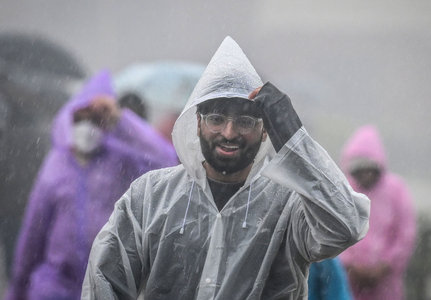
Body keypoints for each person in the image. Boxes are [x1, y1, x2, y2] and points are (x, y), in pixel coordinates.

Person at [81, 36, 370, 300]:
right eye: (217, 118)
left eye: (245, 121)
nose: (229, 133)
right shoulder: (151, 197)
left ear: (266, 130)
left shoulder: (290, 206)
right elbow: (104, 281)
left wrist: (295, 139)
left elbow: (346, 225)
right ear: (197, 123)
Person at [5, 71, 178, 300]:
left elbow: (166, 160)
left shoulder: (121, 161)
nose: (87, 126)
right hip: (55, 287)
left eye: (96, 119)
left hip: (106, 285)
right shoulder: (57, 164)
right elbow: (33, 232)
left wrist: (121, 121)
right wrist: (18, 289)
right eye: (81, 117)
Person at [339, 125, 416, 300]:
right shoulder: (344, 190)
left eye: (368, 168)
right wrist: (349, 265)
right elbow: (334, 230)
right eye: (359, 168)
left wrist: (385, 266)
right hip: (349, 283)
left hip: (386, 285)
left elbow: (405, 234)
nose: (364, 174)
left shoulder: (396, 191)